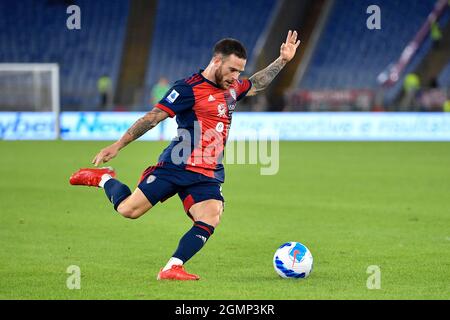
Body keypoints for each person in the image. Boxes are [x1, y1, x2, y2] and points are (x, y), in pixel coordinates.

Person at [69, 31, 301, 281]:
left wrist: (282, 60)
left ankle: (172, 267)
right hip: (177, 165)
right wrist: (118, 145)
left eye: (240, 71)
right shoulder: (187, 89)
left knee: (211, 215)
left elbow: (257, 83)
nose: (236, 77)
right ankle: (104, 179)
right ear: (216, 61)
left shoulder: (232, 88)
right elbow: (152, 118)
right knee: (128, 210)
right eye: (233, 70)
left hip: (208, 172)